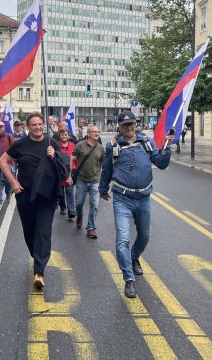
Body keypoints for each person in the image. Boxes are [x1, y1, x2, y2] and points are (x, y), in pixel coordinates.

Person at [99, 111, 173, 299]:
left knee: (145, 235)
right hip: (122, 199)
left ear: (136, 124)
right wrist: (102, 189)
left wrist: (167, 146)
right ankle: (128, 279)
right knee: (123, 238)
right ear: (119, 127)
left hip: (143, 198)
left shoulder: (146, 143)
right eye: (125, 125)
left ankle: (134, 257)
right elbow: (107, 169)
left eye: (132, 124)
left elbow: (161, 164)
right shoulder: (113, 146)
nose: (129, 128)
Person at [0, 113, 60, 290]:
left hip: (46, 195)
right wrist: (13, 182)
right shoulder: (20, 144)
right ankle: (37, 255)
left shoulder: (52, 143)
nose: (38, 127)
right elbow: (2, 161)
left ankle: (39, 271)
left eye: (40, 124)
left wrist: (54, 155)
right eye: (34, 125)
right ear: (28, 126)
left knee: (43, 231)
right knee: (29, 231)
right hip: (25, 194)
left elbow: (62, 167)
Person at [72, 125, 105, 239]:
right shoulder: (80, 145)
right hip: (81, 180)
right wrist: (69, 175)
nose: (97, 133)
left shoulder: (100, 148)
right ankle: (79, 216)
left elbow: (102, 163)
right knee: (79, 203)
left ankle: (91, 228)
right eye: (94, 132)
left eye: (98, 132)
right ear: (89, 133)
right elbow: (72, 158)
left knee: (94, 205)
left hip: (95, 180)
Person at [57, 128, 76, 219]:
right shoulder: (56, 145)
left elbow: (76, 160)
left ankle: (71, 210)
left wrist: (72, 174)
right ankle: (62, 207)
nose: (64, 136)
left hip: (69, 172)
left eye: (65, 135)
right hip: (59, 172)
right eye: (62, 135)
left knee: (69, 191)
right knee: (60, 192)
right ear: (59, 136)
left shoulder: (73, 146)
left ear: (68, 136)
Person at [0, 123, 15, 208]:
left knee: (7, 181)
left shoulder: (9, 136)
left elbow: (14, 148)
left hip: (7, 163)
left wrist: (11, 159)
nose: (0, 128)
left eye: (1, 126)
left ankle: (8, 193)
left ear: (4, 127)